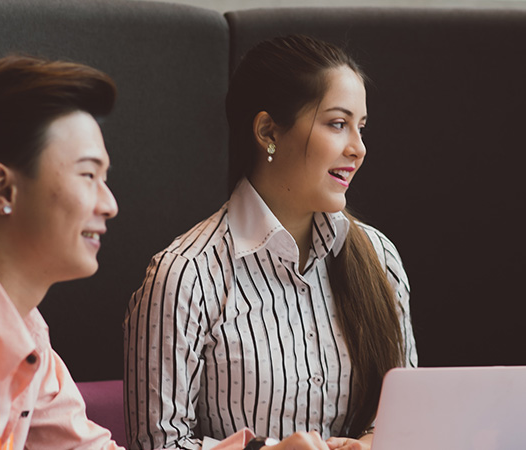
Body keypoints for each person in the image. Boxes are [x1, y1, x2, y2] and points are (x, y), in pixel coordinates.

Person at [123, 35, 417, 450]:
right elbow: (157, 446)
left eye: (361, 127)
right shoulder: (184, 276)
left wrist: (371, 442)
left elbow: (409, 421)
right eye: (337, 124)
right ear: (267, 131)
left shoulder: (379, 257)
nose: (359, 148)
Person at [0, 55, 124, 448]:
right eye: (87, 175)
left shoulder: (27, 330)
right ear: (2, 190)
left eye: (105, 178)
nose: (109, 204)